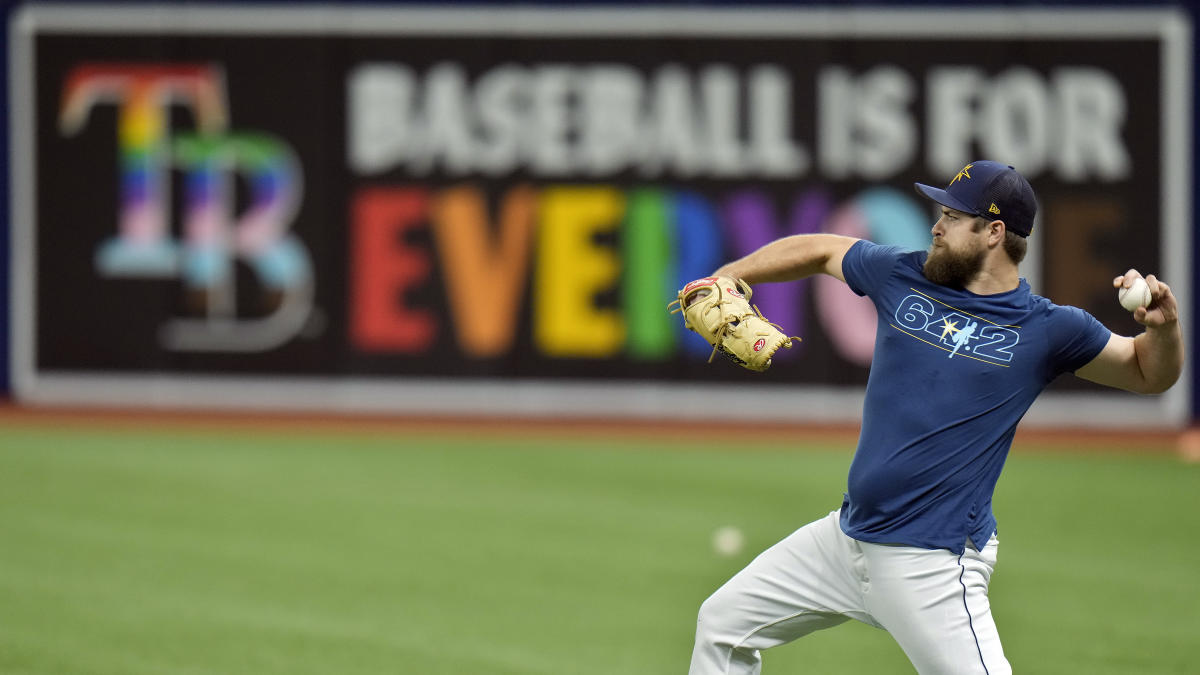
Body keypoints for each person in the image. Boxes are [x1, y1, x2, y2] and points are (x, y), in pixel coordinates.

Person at [686, 161, 1184, 675]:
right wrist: (728, 277)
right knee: (721, 624)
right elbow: (822, 248)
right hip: (845, 541)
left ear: (993, 232)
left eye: (952, 216)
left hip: (931, 563)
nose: (936, 226)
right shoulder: (902, 274)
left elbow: (1149, 373)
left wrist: (1163, 330)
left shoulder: (1048, 328)